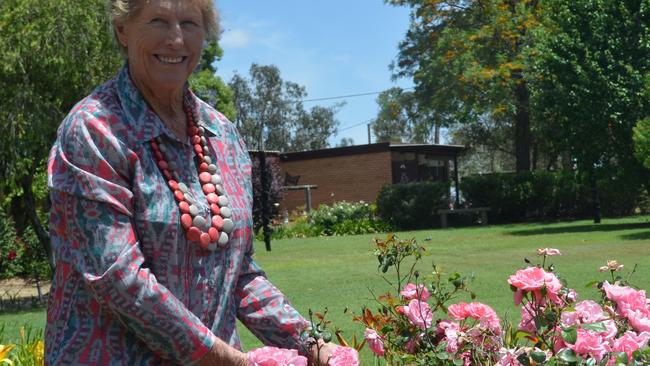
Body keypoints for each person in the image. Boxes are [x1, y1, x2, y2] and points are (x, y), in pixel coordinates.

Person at [45, 0, 336, 364]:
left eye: (189, 23)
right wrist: (228, 360)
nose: (176, 39)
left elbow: (240, 274)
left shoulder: (222, 136)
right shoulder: (95, 130)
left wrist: (312, 343)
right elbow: (117, 277)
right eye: (158, 21)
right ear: (123, 29)